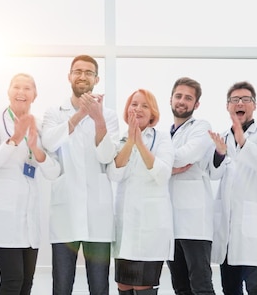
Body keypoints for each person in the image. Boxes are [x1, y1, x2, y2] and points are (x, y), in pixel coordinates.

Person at [41, 54, 120, 295]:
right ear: (69, 76)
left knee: (99, 286)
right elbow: (49, 141)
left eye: (88, 72)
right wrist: (80, 114)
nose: (82, 76)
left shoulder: (109, 115)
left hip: (98, 214)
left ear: (96, 79)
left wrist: (97, 119)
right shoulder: (55, 112)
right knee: (62, 286)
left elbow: (107, 156)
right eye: (78, 71)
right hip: (65, 212)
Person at [0, 73, 60, 295]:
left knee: (26, 282)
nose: (21, 92)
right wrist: (14, 139)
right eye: (16, 87)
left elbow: (53, 172)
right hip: (3, 217)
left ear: (35, 95)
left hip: (29, 217)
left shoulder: (40, 126)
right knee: (12, 280)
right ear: (8, 91)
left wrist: (36, 149)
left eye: (27, 88)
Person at [207, 81, 257, 295]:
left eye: (245, 99)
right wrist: (220, 153)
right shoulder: (221, 137)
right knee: (230, 289)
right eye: (235, 100)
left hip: (253, 228)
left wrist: (244, 143)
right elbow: (214, 174)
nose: (240, 103)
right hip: (227, 230)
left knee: (255, 286)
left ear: (254, 105)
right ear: (227, 106)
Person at [108, 89, 174, 295]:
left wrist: (140, 143)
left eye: (145, 105)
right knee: (124, 286)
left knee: (142, 286)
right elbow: (114, 173)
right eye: (134, 104)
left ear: (153, 112)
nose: (138, 109)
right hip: (125, 229)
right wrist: (130, 141)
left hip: (150, 230)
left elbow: (162, 174)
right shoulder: (120, 140)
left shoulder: (162, 138)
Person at [166, 77, 216, 295]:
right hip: (170, 223)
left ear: (196, 105)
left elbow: (185, 156)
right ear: (171, 100)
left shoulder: (202, 127)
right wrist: (166, 166)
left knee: (201, 286)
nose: (182, 101)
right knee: (180, 287)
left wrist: (160, 164)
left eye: (188, 98)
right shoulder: (163, 134)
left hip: (195, 224)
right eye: (178, 96)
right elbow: (171, 161)